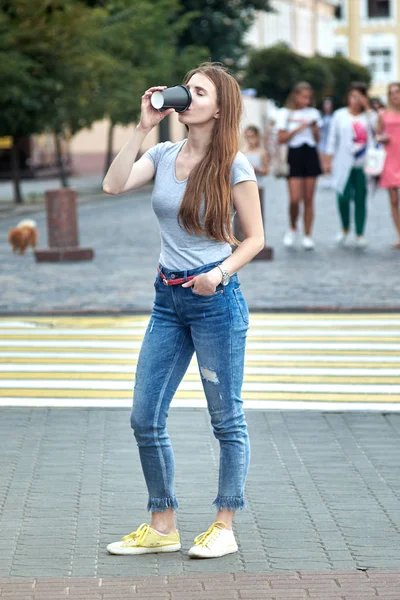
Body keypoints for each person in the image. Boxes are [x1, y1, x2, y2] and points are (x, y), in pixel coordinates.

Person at [102, 63, 264, 559]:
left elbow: (255, 238)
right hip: (167, 301)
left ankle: (224, 524)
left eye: (199, 91)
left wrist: (220, 274)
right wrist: (142, 126)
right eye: (186, 89)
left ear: (220, 107)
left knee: (225, 419)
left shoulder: (233, 164)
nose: (187, 96)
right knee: (144, 416)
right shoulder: (162, 152)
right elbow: (113, 184)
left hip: (215, 301)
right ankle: (162, 523)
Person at [325, 81, 373, 248]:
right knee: (342, 197)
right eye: (352, 96)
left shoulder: (369, 116)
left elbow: (377, 131)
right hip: (343, 163)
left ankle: (360, 233)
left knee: (361, 199)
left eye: (359, 96)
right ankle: (345, 227)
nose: (355, 100)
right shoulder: (340, 115)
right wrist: (328, 160)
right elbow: (332, 138)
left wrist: (368, 109)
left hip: (363, 165)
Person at [277, 81, 322, 250]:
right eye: (303, 96)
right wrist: (298, 128)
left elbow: (318, 140)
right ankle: (292, 226)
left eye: (309, 97)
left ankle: (308, 234)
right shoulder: (285, 114)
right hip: (294, 154)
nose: (306, 100)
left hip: (310, 154)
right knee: (295, 199)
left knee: (309, 198)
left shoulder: (314, 113)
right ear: (295, 96)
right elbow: (280, 138)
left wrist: (314, 128)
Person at [376, 82, 400, 249]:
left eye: (397, 92)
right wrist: (382, 139)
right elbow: (377, 135)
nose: (394, 95)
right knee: (393, 200)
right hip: (390, 157)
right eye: (391, 93)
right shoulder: (383, 114)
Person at [318, 97, 334, 185]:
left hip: (330, 141)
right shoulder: (320, 117)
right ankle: (325, 177)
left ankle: (329, 176)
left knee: (330, 160)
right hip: (322, 141)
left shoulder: (334, 117)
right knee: (323, 160)